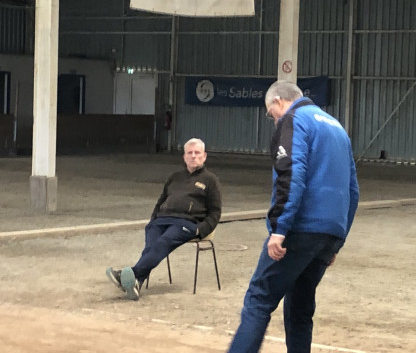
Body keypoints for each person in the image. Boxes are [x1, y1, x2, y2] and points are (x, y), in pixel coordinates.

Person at [228, 80, 359, 353]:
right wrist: (337, 242)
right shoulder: (338, 129)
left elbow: (290, 175)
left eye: (271, 113)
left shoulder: (293, 120)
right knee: (300, 306)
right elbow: (353, 191)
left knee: (259, 299)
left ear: (279, 101)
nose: (274, 120)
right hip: (330, 232)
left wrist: (279, 229)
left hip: (301, 228)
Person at [106, 138, 222, 301]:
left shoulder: (211, 180)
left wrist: (200, 229)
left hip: (187, 223)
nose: (193, 156)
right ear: (184, 157)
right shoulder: (175, 177)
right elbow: (161, 200)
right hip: (161, 220)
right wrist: (153, 220)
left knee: (162, 243)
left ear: (204, 156)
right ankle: (136, 282)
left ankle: (132, 274)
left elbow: (215, 212)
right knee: (152, 246)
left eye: (197, 153)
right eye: (190, 153)